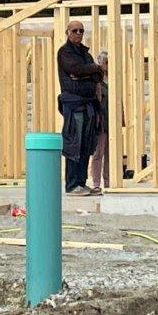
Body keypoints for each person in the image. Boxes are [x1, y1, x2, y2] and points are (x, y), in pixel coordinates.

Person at [56, 20, 103, 196]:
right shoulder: (65, 52)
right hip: (74, 104)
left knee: (86, 145)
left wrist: (88, 72)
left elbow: (98, 75)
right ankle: (72, 185)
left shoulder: (85, 54)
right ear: (67, 32)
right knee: (74, 144)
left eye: (81, 30)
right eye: (75, 30)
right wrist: (91, 70)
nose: (78, 33)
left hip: (88, 104)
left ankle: (81, 183)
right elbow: (75, 69)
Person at [89, 50, 110, 194]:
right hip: (100, 122)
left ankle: (109, 182)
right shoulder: (96, 81)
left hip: (110, 122)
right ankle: (96, 183)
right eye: (106, 62)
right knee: (98, 153)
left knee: (110, 155)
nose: (108, 65)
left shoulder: (112, 80)